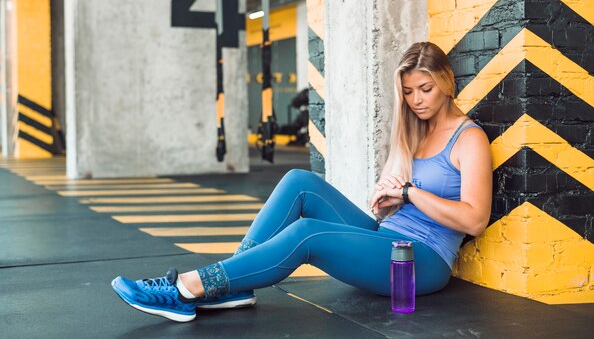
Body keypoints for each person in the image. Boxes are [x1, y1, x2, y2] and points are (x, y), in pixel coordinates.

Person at [111, 42, 493, 323]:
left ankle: (189, 288)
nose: (416, 100)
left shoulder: (469, 138)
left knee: (308, 233)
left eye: (425, 90)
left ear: (446, 82)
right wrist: (388, 201)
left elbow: (474, 220)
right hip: (387, 235)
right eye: (408, 92)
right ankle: (236, 283)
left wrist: (410, 192)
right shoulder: (413, 131)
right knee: (300, 181)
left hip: (421, 261)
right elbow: (397, 200)